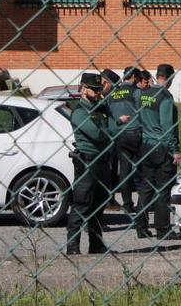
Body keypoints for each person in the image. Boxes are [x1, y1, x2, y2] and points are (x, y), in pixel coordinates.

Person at [134, 64, 181, 240]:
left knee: (146, 187)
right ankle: (163, 229)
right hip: (161, 147)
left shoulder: (144, 94)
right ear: (170, 78)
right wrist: (175, 150)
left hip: (146, 145)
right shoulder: (165, 97)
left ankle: (140, 227)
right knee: (163, 189)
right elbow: (167, 127)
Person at [66, 73, 112, 255]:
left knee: (98, 206)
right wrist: (108, 130)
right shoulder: (79, 111)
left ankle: (96, 244)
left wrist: (108, 128)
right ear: (84, 89)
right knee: (82, 204)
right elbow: (98, 134)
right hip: (87, 162)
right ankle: (73, 246)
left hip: (101, 161)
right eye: (95, 89)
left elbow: (111, 128)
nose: (98, 92)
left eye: (99, 89)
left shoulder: (99, 109)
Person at [106, 66, 142, 215]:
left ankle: (127, 204)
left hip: (118, 135)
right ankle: (144, 204)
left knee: (125, 170)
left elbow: (109, 114)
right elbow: (142, 111)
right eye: (138, 78)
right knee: (142, 170)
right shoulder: (135, 91)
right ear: (133, 76)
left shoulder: (112, 93)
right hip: (135, 133)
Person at [100, 69, 124, 212]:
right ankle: (106, 200)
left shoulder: (109, 97)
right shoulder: (99, 98)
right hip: (104, 139)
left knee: (113, 171)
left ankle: (110, 199)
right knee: (106, 172)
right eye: (113, 86)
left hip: (112, 139)